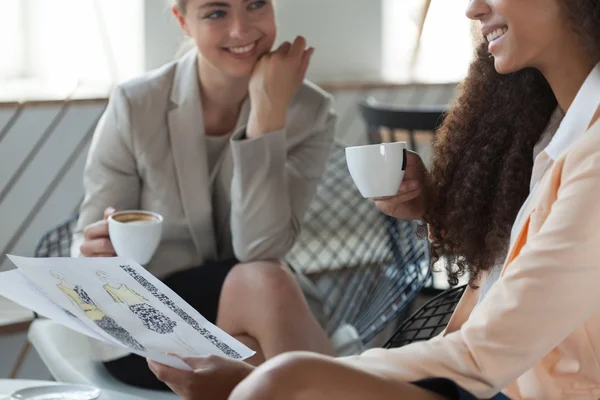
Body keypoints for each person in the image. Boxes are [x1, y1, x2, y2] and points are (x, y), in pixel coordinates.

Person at [148, 0, 600, 398]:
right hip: (483, 376)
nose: (473, 8)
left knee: (280, 375)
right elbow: (523, 263)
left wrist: (292, 379)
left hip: (499, 381)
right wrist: (432, 208)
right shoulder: (548, 131)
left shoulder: (592, 155)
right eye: (215, 11)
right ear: (182, 22)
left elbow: (485, 353)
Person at [71, 0, 338, 390]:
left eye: (255, 5)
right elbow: (86, 242)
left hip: (258, 312)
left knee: (258, 324)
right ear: (183, 22)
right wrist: (92, 249)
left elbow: (260, 246)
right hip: (151, 324)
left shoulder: (311, 112)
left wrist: (266, 115)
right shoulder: (136, 104)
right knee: (266, 295)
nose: (240, 29)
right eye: (216, 13)